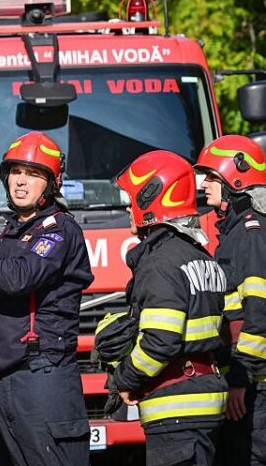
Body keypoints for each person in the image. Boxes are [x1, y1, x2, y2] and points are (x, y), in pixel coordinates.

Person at [0, 131, 93, 465]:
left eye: (33, 174)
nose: (21, 182)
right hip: (4, 376)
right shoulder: (15, 231)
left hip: (42, 374)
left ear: (52, 183)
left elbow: (16, 279)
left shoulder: (58, 230)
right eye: (16, 172)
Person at [112, 150, 227, 465]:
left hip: (176, 409)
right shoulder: (202, 256)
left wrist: (124, 378)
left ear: (151, 199)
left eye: (132, 197)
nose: (127, 206)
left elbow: (161, 341)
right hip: (206, 402)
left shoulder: (160, 262)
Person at [194, 135, 266, 465]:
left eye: (211, 177)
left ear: (234, 179)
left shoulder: (250, 235)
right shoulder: (236, 231)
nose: (203, 184)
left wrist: (240, 377)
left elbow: (260, 314)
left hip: (255, 388)